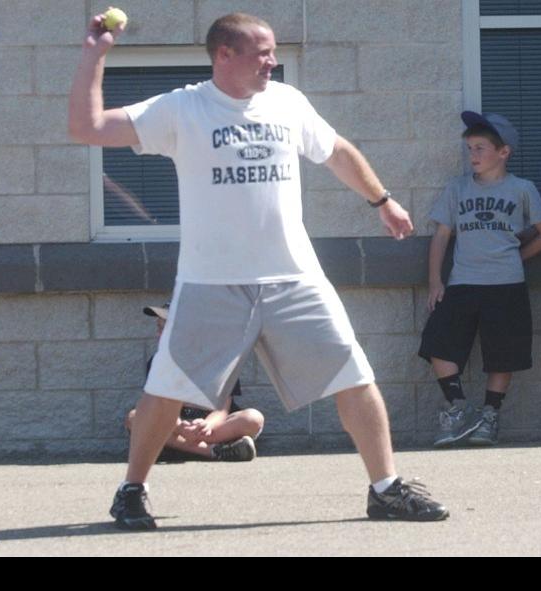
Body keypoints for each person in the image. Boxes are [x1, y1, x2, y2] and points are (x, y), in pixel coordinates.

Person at [68, 11, 447, 529]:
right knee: (165, 388)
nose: (272, 61)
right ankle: (131, 490)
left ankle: (386, 488)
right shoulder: (183, 109)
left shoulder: (288, 103)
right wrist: (96, 53)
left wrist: (381, 200)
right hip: (209, 282)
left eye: (273, 51)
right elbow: (85, 128)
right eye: (262, 52)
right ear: (224, 55)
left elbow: (335, 151)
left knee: (354, 375)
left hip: (294, 278)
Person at [418, 112, 541, 448]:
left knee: (502, 353)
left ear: (503, 152)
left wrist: (516, 258)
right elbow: (441, 236)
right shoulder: (457, 187)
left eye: (480, 148)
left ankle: (490, 416)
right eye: (469, 148)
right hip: (463, 282)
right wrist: (436, 281)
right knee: (437, 343)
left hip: (506, 284)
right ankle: (458, 408)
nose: (473, 155)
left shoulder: (522, 189)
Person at [126, 304, 264, 462]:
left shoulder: (221, 361)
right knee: (134, 417)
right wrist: (179, 427)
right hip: (174, 424)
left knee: (253, 418)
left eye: (165, 329)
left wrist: (207, 425)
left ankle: (184, 448)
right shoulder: (159, 363)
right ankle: (212, 452)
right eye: (158, 327)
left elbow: (223, 407)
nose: (159, 334)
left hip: (212, 426)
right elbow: (159, 404)